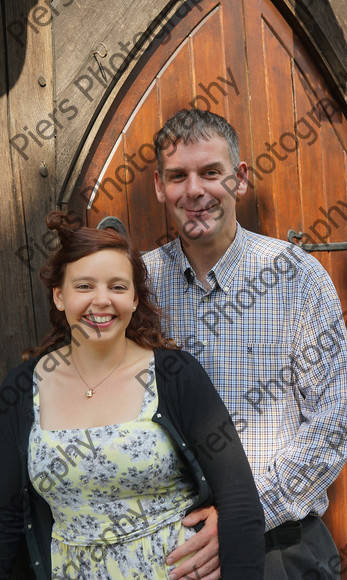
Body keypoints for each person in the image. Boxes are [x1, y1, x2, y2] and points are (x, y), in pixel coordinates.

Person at [143, 108, 347, 580]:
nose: (194, 190)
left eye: (210, 172)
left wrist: (244, 514)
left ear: (239, 179)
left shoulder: (296, 278)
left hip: (280, 551)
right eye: (178, 176)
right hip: (171, 553)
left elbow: (337, 424)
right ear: (160, 186)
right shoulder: (138, 287)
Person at [0, 212, 265, 580]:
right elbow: (7, 516)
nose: (102, 300)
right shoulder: (22, 388)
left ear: (135, 298)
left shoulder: (175, 376)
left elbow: (239, 502)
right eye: (84, 286)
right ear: (59, 297)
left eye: (118, 287)